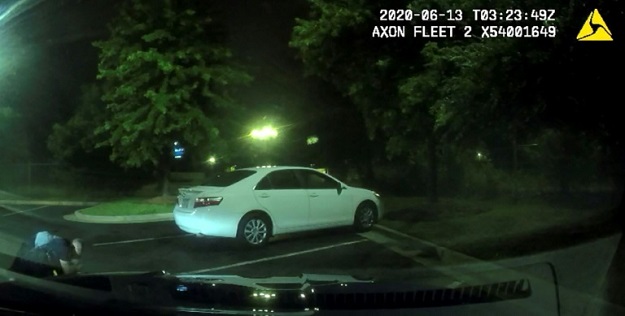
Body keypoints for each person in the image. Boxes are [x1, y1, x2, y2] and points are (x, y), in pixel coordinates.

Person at [9, 231, 83, 278]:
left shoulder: (57, 241)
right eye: (75, 254)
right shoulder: (63, 247)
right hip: (35, 261)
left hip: (28, 254)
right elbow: (67, 271)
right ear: (72, 247)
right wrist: (76, 269)